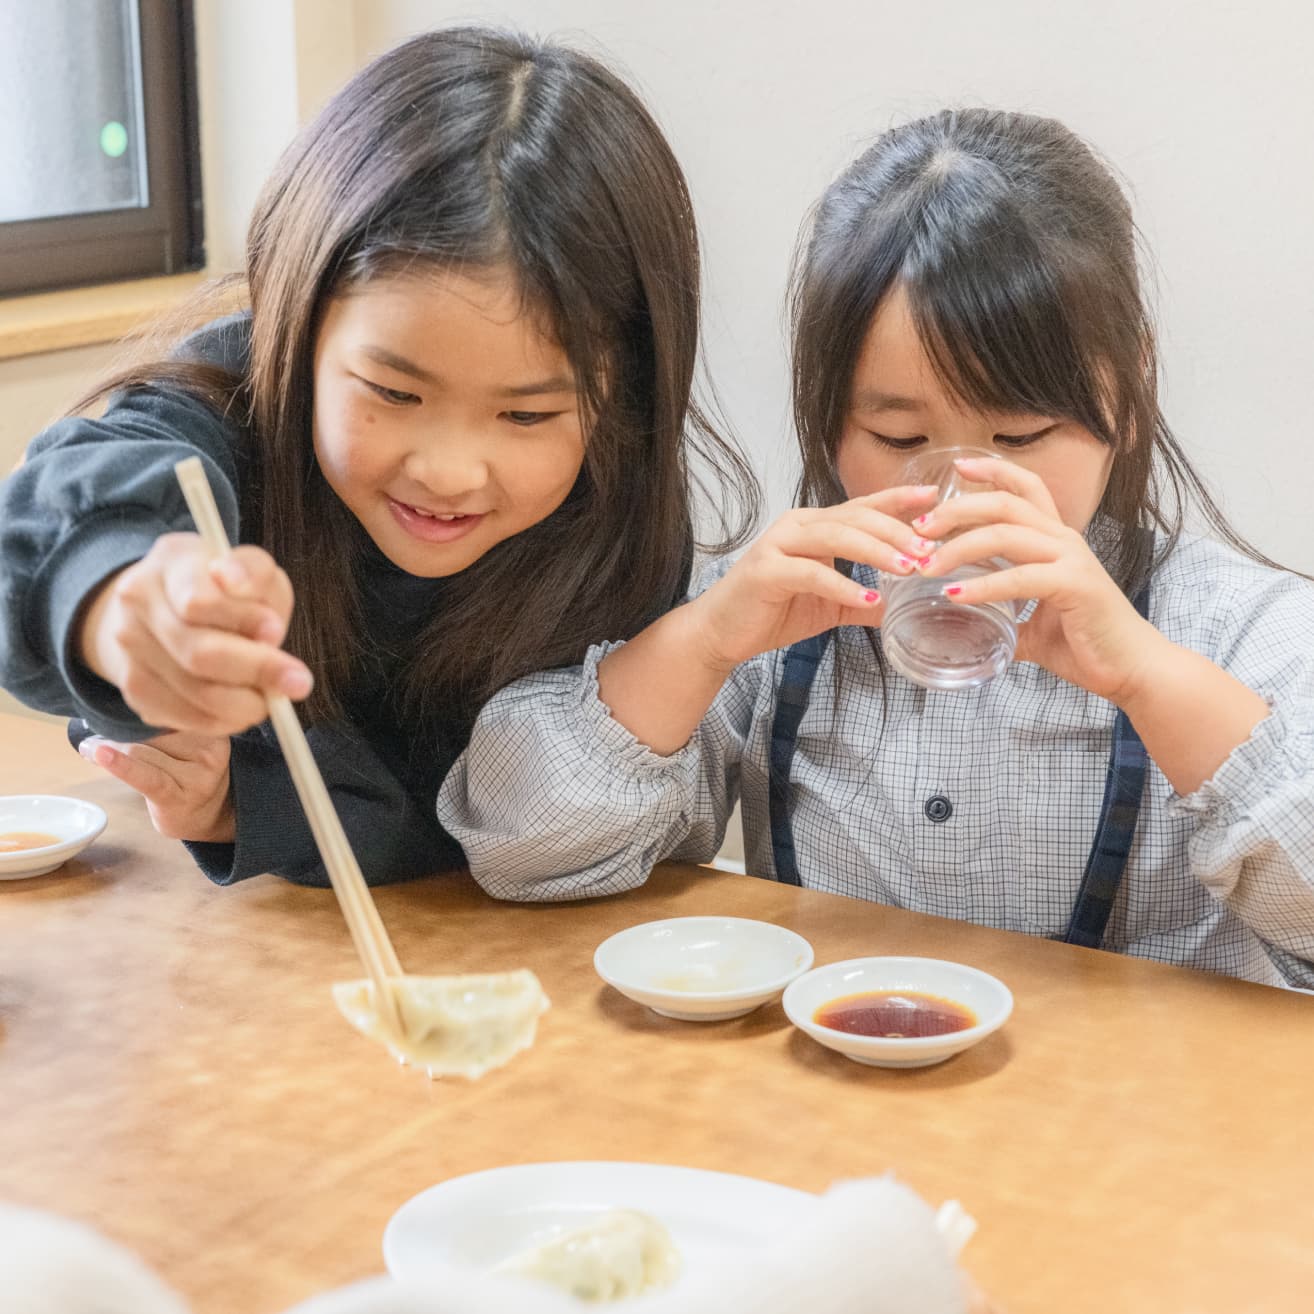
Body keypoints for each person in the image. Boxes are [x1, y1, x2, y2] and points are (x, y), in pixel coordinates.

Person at [440, 108, 1314, 988]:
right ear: (827, 419)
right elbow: (519, 847)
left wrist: (1148, 678)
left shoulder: (1236, 628)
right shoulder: (777, 617)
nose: (963, 491)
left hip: (1135, 1119)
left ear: (1128, 390)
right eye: (899, 438)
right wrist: (703, 643)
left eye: (1022, 435)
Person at [0, 27, 753, 887]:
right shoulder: (230, 408)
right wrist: (115, 599)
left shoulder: (613, 523)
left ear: (623, 393)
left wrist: (246, 807)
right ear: (299, 321)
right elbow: (52, 519)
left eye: (527, 412)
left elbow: (527, 837)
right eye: (394, 394)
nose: (449, 471)